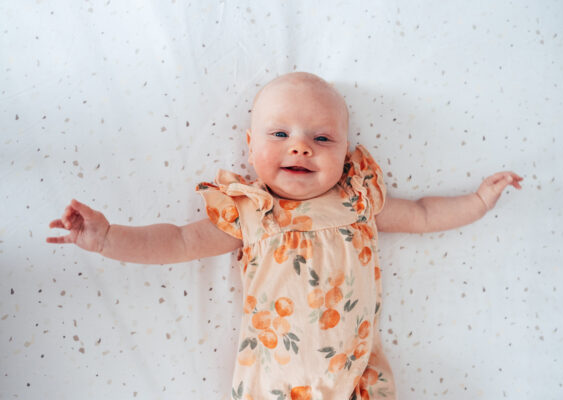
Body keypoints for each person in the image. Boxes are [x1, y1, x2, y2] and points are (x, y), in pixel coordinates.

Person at [46, 72, 523, 399]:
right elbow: (177, 241)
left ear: (345, 153)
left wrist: (477, 202)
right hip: (273, 381)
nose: (299, 145)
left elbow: (421, 214)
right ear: (249, 146)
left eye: (322, 138)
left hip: (353, 378)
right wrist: (108, 238)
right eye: (279, 134)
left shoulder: (359, 202)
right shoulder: (253, 211)